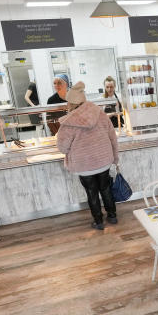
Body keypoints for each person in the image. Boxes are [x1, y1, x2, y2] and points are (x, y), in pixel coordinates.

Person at [55, 82, 119, 230]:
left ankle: (98, 222)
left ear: (71, 103)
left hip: (84, 165)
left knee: (92, 192)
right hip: (104, 160)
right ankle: (112, 216)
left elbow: (62, 148)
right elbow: (112, 136)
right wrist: (115, 158)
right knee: (106, 188)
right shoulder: (99, 112)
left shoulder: (68, 123)